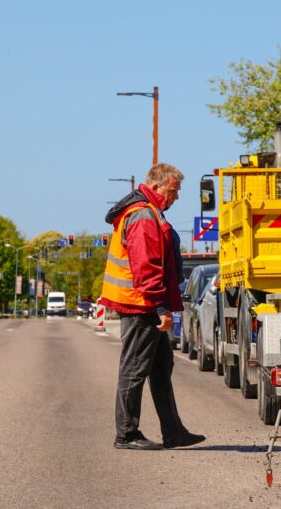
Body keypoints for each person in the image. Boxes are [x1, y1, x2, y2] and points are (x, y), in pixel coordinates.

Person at [99, 163, 205, 450]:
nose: (176, 197)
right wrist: (159, 307)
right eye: (174, 190)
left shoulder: (148, 212)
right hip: (141, 305)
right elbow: (146, 266)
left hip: (144, 303)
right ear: (157, 186)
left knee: (161, 366)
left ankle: (173, 431)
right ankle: (127, 434)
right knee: (135, 369)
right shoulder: (144, 215)